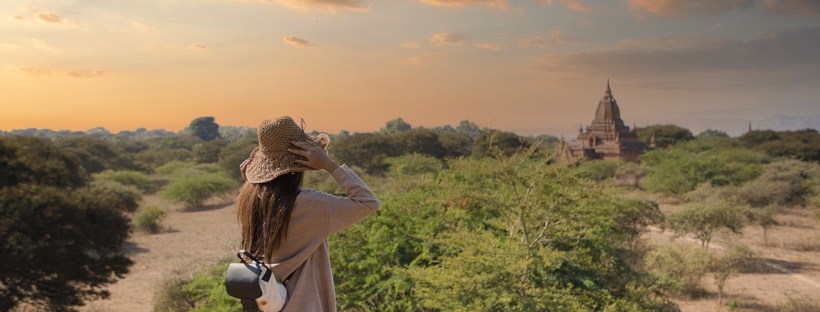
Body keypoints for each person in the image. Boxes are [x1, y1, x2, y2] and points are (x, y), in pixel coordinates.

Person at [236, 116, 380, 312]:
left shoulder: (249, 198)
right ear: (301, 162)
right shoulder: (309, 203)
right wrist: (329, 165)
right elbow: (368, 202)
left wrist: (250, 183)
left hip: (268, 302)